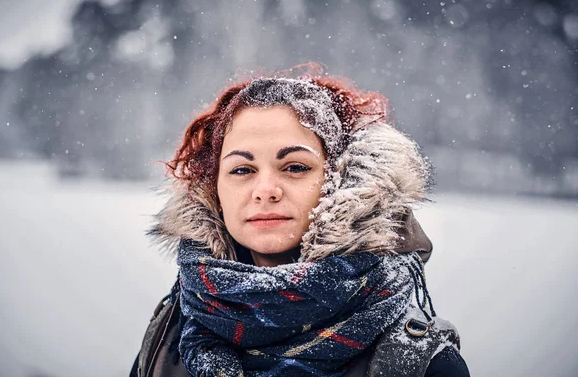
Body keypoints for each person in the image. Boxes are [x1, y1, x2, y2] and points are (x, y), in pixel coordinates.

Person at [130, 65, 470, 377]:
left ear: (343, 181)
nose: (265, 191)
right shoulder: (169, 339)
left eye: (295, 167)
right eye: (242, 170)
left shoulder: (417, 362)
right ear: (214, 191)